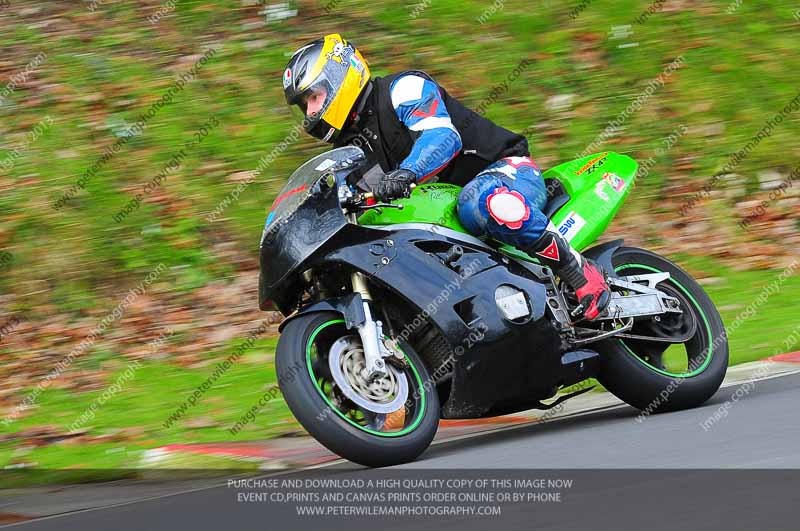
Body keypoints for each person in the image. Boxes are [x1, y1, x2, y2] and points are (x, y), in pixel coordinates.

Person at [282, 34, 609, 320]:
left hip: (503, 174)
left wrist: (407, 172)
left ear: (341, 75)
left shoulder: (402, 89)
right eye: (305, 106)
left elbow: (441, 137)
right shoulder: (348, 152)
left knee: (478, 202)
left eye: (314, 97)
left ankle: (576, 270)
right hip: (442, 215)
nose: (311, 113)